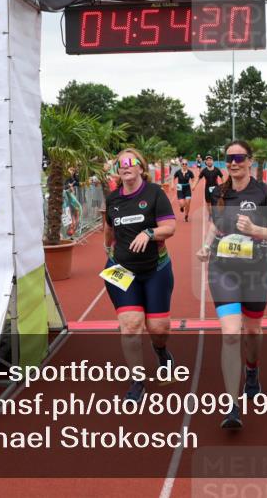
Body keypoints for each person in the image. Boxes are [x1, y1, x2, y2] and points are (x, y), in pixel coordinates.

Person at [196, 141, 267, 429]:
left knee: (252, 331)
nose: (233, 163)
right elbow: (216, 224)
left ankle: (252, 371)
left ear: (250, 161)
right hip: (222, 269)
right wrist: (205, 246)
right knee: (231, 334)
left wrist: (256, 230)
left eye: (238, 158)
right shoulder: (218, 192)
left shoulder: (265, 193)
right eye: (229, 159)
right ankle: (231, 405)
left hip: (256, 271)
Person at [102, 148, 177, 401]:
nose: (125, 166)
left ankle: (161, 351)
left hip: (155, 268)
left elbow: (170, 227)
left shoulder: (155, 193)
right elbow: (109, 230)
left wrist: (149, 233)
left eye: (130, 162)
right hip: (121, 269)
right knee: (131, 325)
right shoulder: (112, 200)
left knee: (158, 327)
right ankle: (137, 380)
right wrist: (108, 252)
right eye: (120, 163)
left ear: (141, 168)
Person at [64, 166, 82, 237]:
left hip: (72, 201)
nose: (71, 172)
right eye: (70, 170)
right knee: (71, 220)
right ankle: (69, 235)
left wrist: (71, 185)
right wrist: (69, 186)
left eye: (73, 171)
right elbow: (63, 186)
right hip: (66, 202)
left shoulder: (71, 177)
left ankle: (71, 233)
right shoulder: (64, 177)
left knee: (76, 215)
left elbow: (77, 182)